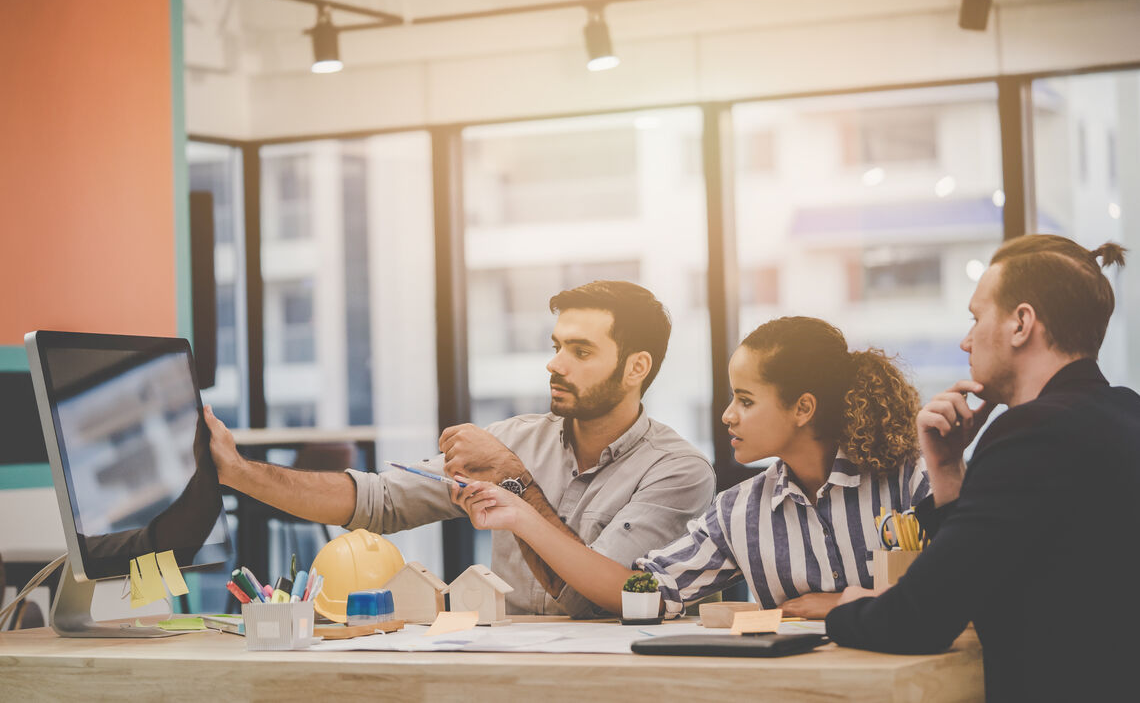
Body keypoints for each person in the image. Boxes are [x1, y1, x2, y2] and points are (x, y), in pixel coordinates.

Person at [204, 280, 715, 617]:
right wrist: (239, 472)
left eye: (580, 351)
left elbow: (599, 597)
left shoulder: (678, 471)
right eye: (556, 345)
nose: (555, 364)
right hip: (504, 672)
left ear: (636, 368)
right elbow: (378, 502)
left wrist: (514, 484)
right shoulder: (515, 436)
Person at [826, 235, 1139, 702]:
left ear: (1021, 324)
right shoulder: (1124, 412)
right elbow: (990, 577)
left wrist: (844, 608)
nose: (966, 340)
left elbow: (916, 621)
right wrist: (948, 470)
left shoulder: (1032, 434)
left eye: (976, 317)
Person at [455, 316, 930, 619]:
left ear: (802, 408)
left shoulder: (911, 481)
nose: (728, 415)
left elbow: (969, 582)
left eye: (745, 400)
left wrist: (847, 604)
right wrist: (521, 517)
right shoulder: (739, 511)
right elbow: (642, 592)